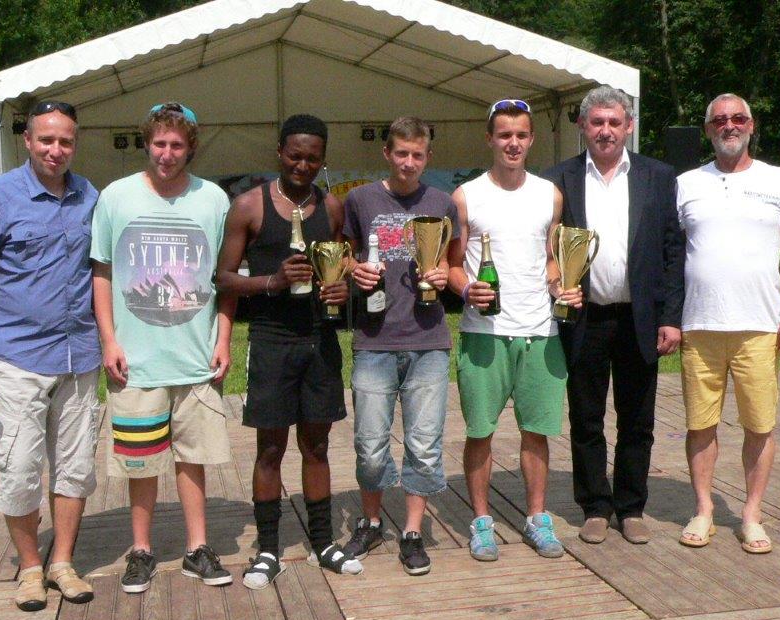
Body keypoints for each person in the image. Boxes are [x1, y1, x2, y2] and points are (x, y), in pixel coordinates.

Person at [0, 100, 99, 611]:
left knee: (75, 468)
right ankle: (31, 568)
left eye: (65, 141)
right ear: (28, 141)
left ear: (75, 144)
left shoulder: (90, 196)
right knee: (19, 468)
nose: (56, 150)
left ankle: (63, 563)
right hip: (18, 357)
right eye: (46, 140)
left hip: (79, 355)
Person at [91, 103, 235, 593]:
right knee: (141, 462)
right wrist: (109, 339)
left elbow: (224, 279)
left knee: (193, 458)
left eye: (176, 145)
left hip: (195, 359)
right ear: (146, 143)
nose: (167, 154)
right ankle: (141, 550)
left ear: (190, 147)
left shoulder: (213, 199)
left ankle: (197, 548)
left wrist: (224, 338)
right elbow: (102, 271)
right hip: (136, 361)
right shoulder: (116, 197)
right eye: (159, 144)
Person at [216, 114, 361, 589]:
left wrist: (340, 289)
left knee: (317, 446)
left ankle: (323, 542)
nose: (303, 165)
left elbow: (339, 268)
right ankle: (267, 549)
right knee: (271, 449)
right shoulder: (249, 206)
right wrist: (272, 282)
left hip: (319, 339)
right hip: (272, 339)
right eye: (295, 156)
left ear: (323, 160)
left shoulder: (331, 208)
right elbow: (223, 278)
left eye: (312, 158)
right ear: (279, 152)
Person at [542, 86, 685, 546]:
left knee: (637, 420)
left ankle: (631, 506)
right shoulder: (558, 179)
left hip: (639, 318)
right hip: (584, 318)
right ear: (583, 126)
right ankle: (595, 507)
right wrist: (555, 284)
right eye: (597, 122)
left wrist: (671, 316)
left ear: (629, 127)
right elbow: (546, 247)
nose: (606, 130)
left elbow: (672, 251)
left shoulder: (658, 176)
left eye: (614, 122)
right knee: (586, 418)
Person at [447, 98, 580, 562]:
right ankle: (482, 521)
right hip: (484, 334)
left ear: (531, 139)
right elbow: (451, 265)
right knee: (480, 431)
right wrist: (467, 290)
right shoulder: (466, 196)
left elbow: (552, 260)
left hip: (541, 331)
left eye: (521, 135)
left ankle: (537, 517)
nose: (513, 143)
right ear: (490, 138)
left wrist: (562, 288)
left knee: (536, 432)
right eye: (504, 134)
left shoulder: (550, 195)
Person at [676, 93, 780, 553]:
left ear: (751, 126)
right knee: (700, 424)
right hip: (700, 324)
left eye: (738, 118)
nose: (729, 126)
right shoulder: (686, 184)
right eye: (719, 120)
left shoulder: (779, 180)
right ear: (707, 130)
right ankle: (703, 509)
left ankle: (751, 514)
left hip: (760, 325)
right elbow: (672, 254)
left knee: (760, 424)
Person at [339, 116, 457, 576]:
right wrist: (353, 269)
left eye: (418, 155)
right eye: (402, 153)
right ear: (387, 153)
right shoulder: (360, 199)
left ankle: (411, 531)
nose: (409, 163)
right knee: (369, 444)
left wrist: (443, 275)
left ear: (428, 157)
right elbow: (344, 252)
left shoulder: (443, 203)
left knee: (424, 445)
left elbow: (451, 262)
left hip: (429, 341)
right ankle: (370, 522)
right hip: (374, 339)